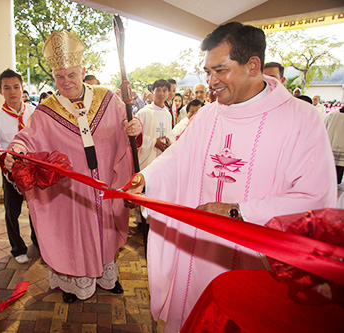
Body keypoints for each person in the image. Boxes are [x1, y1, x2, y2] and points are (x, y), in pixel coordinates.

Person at [125, 22, 336, 332]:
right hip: (198, 249)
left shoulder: (300, 119)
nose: (211, 82)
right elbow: (177, 159)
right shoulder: (209, 114)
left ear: (253, 66)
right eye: (208, 72)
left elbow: (314, 197)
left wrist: (241, 212)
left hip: (254, 257)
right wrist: (146, 180)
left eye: (220, 71)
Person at [4, 30, 142, 303]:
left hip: (105, 183)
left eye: (71, 75)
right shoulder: (46, 110)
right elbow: (26, 139)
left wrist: (135, 130)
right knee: (74, 236)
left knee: (106, 231)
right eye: (59, 76)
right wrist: (16, 153)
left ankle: (107, 277)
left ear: (83, 70)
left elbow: (128, 134)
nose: (66, 82)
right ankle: (74, 285)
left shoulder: (108, 98)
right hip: (71, 190)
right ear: (53, 77)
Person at [0, 69, 39, 264]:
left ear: (22, 88)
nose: (12, 92)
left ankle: (38, 242)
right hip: (10, 174)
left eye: (16, 87)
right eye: (7, 88)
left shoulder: (34, 112)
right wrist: (7, 163)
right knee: (12, 212)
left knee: (36, 209)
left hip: (33, 172)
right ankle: (17, 248)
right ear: (0, 91)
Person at [137, 79, 172, 169]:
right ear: (152, 92)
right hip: (147, 161)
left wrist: (169, 143)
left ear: (168, 93)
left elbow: (169, 134)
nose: (161, 94)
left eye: (164, 91)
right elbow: (136, 138)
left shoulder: (167, 114)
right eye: (158, 90)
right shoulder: (143, 113)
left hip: (163, 159)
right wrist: (154, 142)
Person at [324, 105, 344, 184]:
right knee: (339, 168)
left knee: (331, 167)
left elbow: (323, 127)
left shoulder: (332, 115)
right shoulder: (332, 114)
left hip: (331, 144)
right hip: (340, 146)